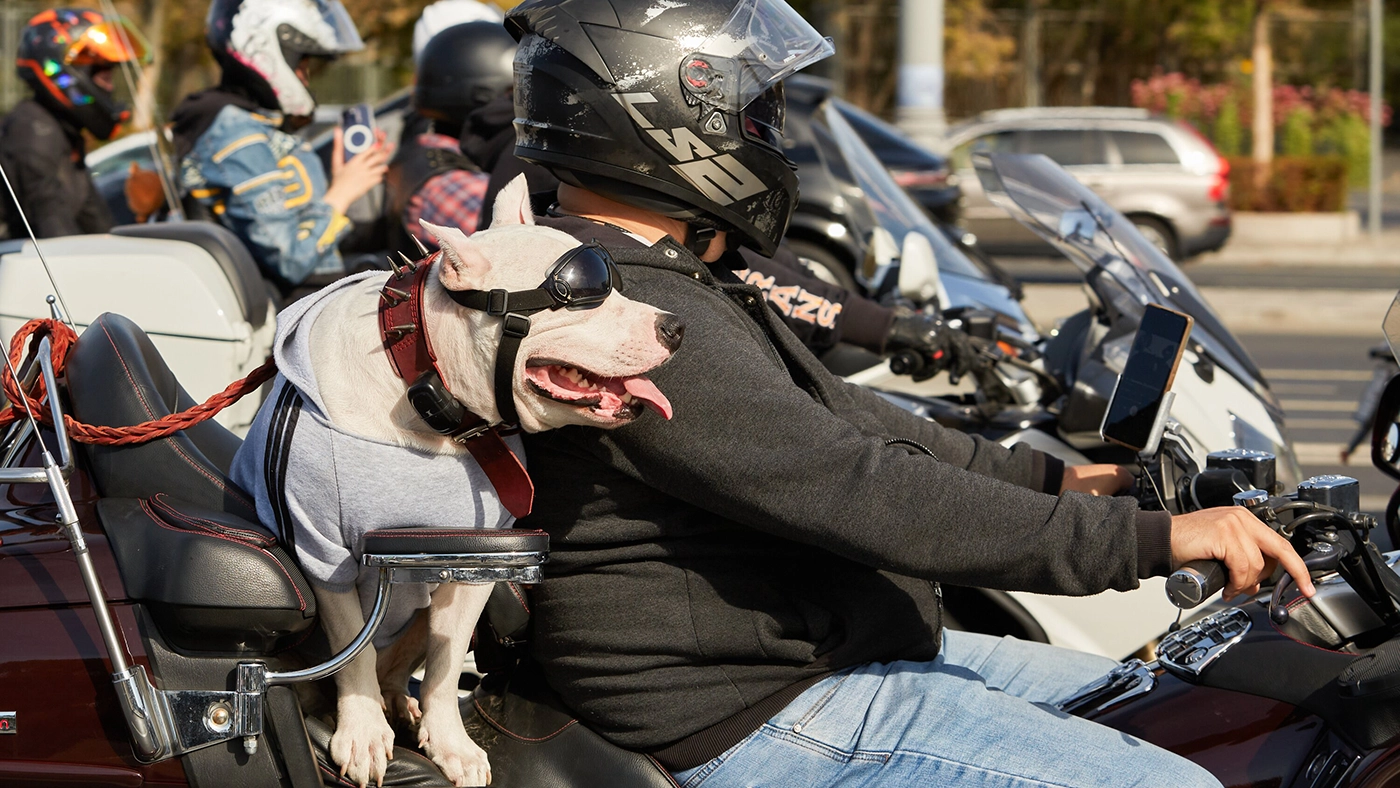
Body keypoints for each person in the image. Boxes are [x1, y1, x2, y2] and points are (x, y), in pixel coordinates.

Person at [500, 2, 1315, 787]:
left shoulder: (649, 272)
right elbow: (867, 491)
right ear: (668, 112)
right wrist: (1145, 543)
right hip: (749, 703)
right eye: (752, 109)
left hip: (817, 655)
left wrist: (1054, 479)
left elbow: (850, 417)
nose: (767, 129)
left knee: (1181, 708)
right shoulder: (623, 315)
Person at [170, 0, 388, 296]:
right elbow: (289, 259)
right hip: (292, 315)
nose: (306, 78)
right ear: (266, 50)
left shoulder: (255, 123)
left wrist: (343, 179)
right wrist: (342, 193)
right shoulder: (237, 134)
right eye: (301, 66)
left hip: (312, 301)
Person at [0, 8, 151, 240]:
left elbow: (98, 225)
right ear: (63, 71)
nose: (109, 89)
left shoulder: (63, 132)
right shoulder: (33, 133)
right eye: (102, 76)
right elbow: (54, 234)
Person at [384, 20, 517, 255]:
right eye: (515, 93)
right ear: (484, 96)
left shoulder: (434, 154)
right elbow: (516, 240)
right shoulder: (445, 180)